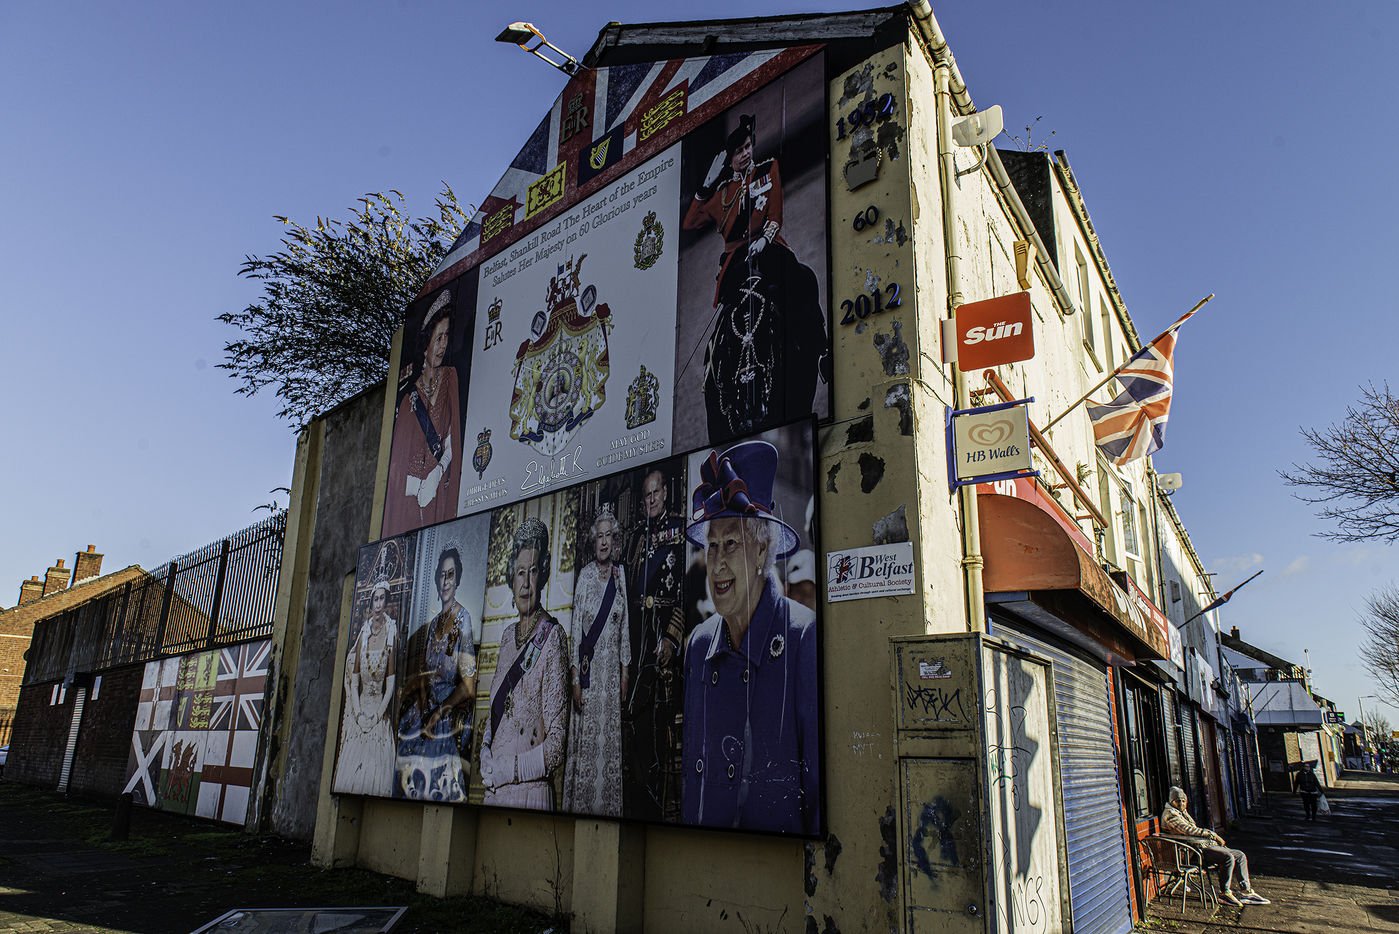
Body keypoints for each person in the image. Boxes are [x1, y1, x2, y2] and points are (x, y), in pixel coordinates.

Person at [681, 440, 819, 834]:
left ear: (761, 551)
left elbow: (816, 797)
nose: (717, 565)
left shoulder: (802, 636)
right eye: (711, 546)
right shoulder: (699, 644)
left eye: (730, 544)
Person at [682, 114, 828, 441]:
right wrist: (705, 186)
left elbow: (775, 213)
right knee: (719, 334)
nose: (746, 153)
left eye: (748, 146)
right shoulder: (721, 194)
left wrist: (765, 238)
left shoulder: (767, 169)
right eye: (739, 151)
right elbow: (690, 223)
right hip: (736, 263)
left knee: (804, 278)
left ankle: (822, 352)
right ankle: (714, 388)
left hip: (769, 248)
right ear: (729, 160)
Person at [480, 517, 569, 809]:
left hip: (530, 795)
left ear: (542, 575)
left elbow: (556, 746)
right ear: (512, 577)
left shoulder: (552, 637)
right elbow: (496, 714)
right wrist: (485, 751)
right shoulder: (507, 637)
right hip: (495, 792)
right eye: (520, 572)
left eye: (533, 571)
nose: (526, 583)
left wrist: (510, 770)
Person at [621, 467, 688, 820]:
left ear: (665, 492)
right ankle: (640, 797)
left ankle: (664, 805)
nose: (651, 500)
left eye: (655, 493)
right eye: (646, 495)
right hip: (637, 634)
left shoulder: (679, 528)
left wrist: (672, 638)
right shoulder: (634, 537)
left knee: (663, 724)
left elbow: (685, 590)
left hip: (664, 631)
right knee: (636, 719)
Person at [562, 507, 632, 817]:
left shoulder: (621, 576)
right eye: (599, 537)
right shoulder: (585, 576)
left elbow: (625, 627)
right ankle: (582, 808)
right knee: (587, 745)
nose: (604, 542)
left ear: (614, 541)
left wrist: (625, 672)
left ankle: (607, 810)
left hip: (611, 678)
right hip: (589, 677)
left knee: (608, 746)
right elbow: (576, 629)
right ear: (594, 542)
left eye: (608, 537)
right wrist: (575, 681)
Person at [394, 546, 477, 802]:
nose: (445, 581)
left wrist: (440, 710)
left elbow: (468, 686)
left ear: (457, 579)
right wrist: (420, 700)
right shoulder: (433, 626)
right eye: (442, 574)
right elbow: (424, 674)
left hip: (446, 709)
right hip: (425, 706)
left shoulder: (464, 619)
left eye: (450, 575)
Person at [384, 288, 461, 536]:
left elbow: (453, 440)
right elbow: (397, 469)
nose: (443, 345)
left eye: (446, 337)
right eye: (438, 338)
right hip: (410, 505)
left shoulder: (450, 378)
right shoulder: (409, 400)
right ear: (426, 344)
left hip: (440, 497)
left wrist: (437, 473)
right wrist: (416, 487)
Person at [334, 580, 398, 796]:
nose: (378, 604)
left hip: (378, 713)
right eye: (375, 599)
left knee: (376, 774)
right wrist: (359, 714)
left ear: (386, 603)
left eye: (382, 599)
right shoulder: (364, 634)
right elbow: (354, 682)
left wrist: (377, 716)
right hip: (360, 712)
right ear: (371, 603)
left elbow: (390, 684)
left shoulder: (391, 634)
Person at [1160, 786, 1269, 907]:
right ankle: (1224, 893)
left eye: (1183, 801)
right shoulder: (1170, 815)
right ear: (1171, 802)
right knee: (1227, 857)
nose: (1181, 803)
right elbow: (1188, 830)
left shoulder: (1182, 813)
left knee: (1239, 855)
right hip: (1191, 852)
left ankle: (1246, 891)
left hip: (1200, 847)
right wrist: (1212, 835)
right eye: (1177, 801)